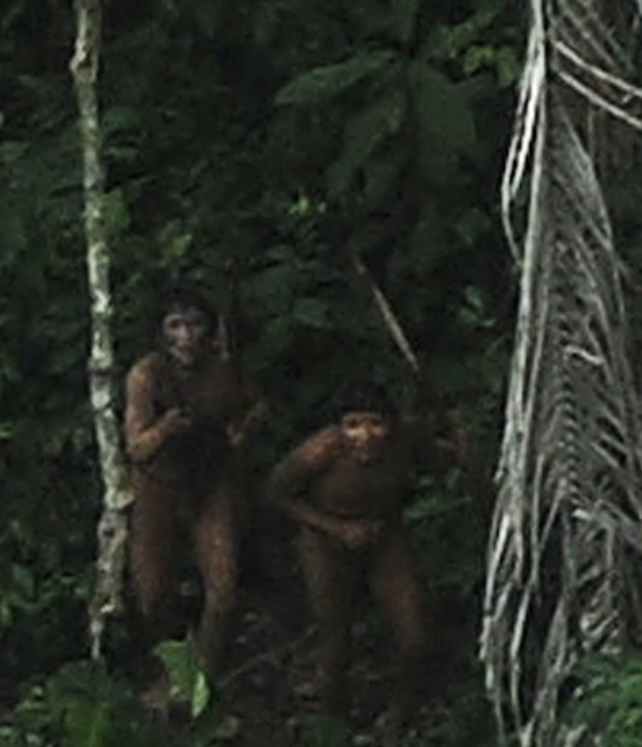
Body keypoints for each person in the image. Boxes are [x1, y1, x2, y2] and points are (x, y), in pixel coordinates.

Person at [266, 382, 458, 722]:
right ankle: (332, 723)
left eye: (375, 423)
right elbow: (278, 493)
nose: (365, 436)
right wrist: (335, 528)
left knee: (416, 637)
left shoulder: (406, 439)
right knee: (335, 637)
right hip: (324, 540)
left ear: (392, 425)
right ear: (338, 429)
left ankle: (398, 718)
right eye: (353, 425)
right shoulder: (318, 452)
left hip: (384, 534)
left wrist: (461, 442)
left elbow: (440, 458)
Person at [122, 287, 265, 688]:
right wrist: (166, 428)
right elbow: (136, 447)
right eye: (176, 326)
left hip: (209, 482)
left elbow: (255, 404)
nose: (186, 337)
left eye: (195, 325)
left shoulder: (223, 370)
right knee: (151, 597)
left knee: (223, 591)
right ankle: (168, 673)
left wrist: (241, 432)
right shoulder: (146, 376)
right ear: (162, 334)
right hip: (158, 488)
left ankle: (203, 679)